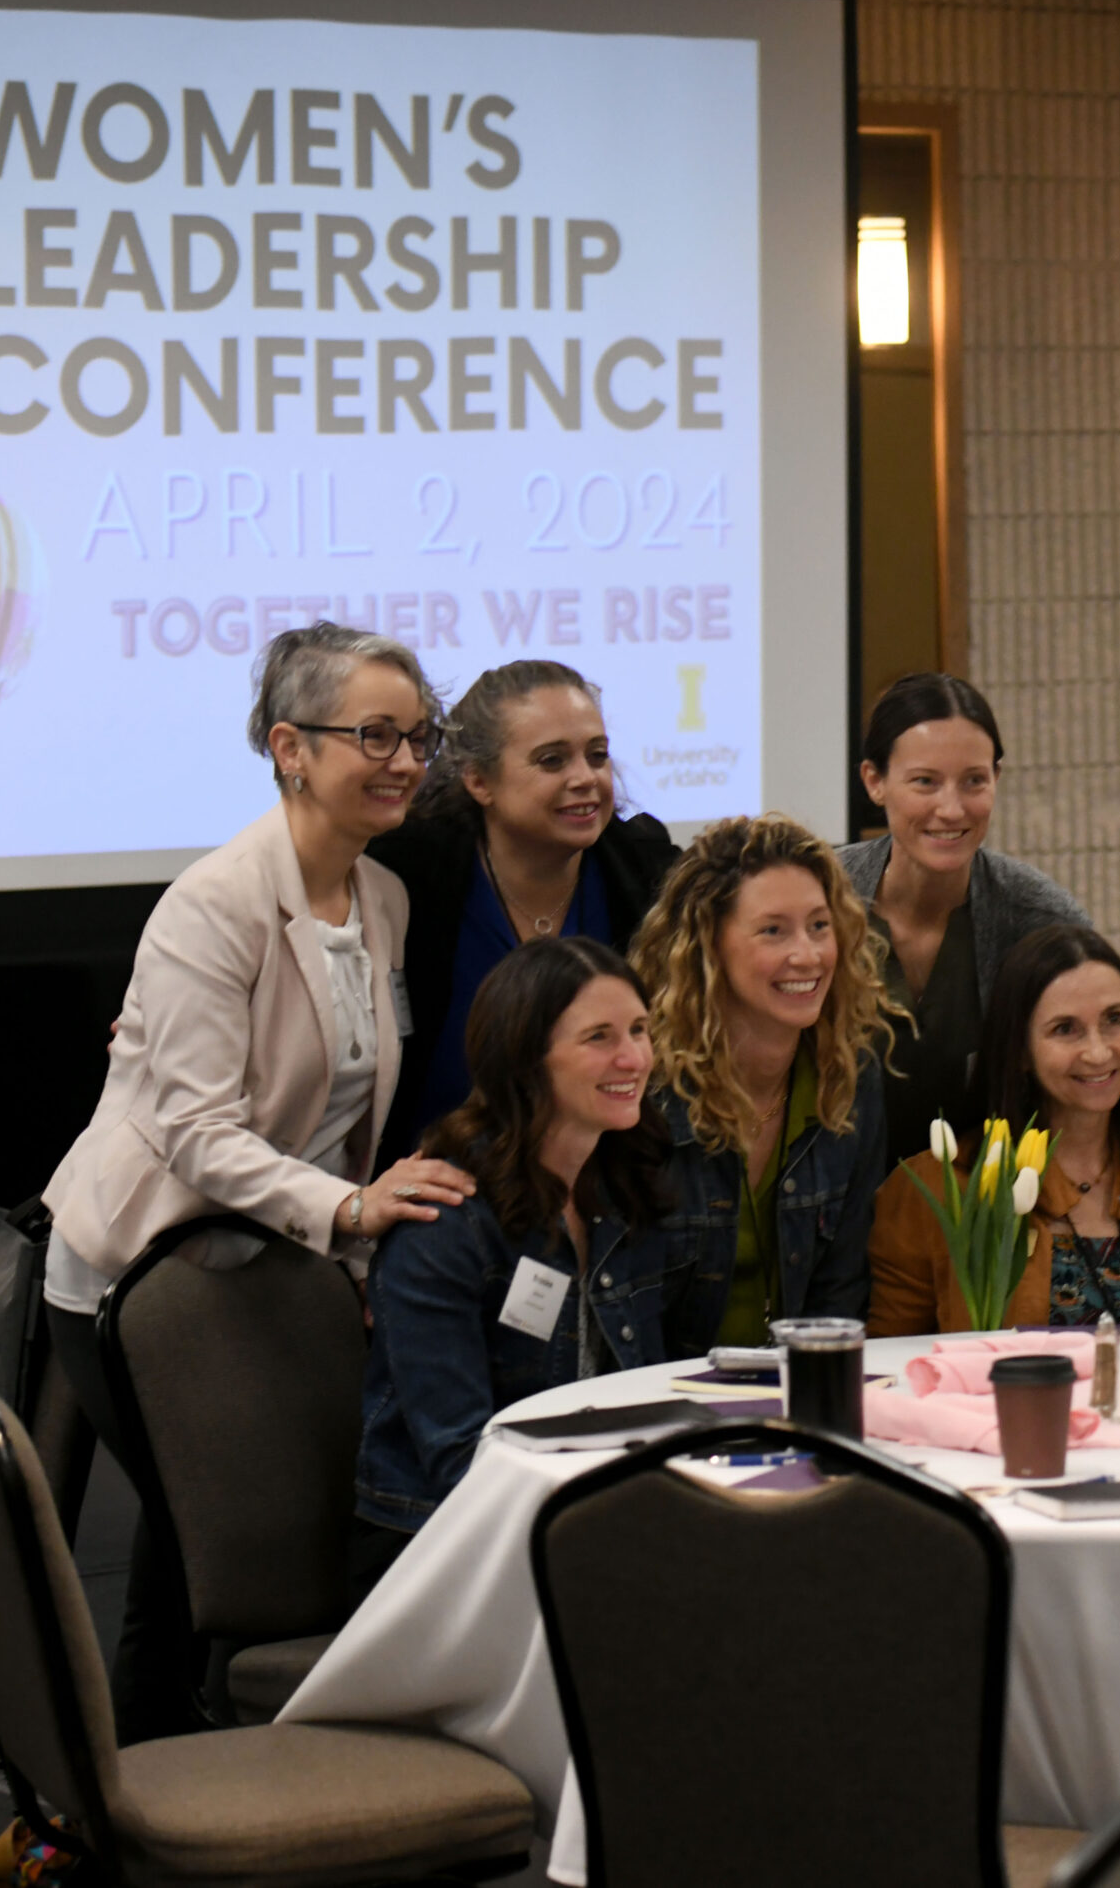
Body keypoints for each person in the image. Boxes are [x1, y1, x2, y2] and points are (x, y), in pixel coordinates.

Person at [41, 623, 473, 1740]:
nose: (402, 759)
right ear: (289, 745)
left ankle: (173, 1774)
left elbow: (339, 1109)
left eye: (416, 736)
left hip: (265, 1262)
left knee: (201, 1537)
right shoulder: (215, 902)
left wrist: (353, 1228)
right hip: (140, 1269)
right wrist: (346, 1210)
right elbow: (194, 1130)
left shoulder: (382, 898)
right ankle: (149, 1782)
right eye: (372, 734)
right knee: (205, 1530)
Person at [354, 937, 673, 1582]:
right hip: (441, 1547)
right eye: (599, 1037)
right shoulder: (444, 1223)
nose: (633, 1056)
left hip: (579, 1519)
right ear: (527, 1059)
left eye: (640, 1029)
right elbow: (461, 1462)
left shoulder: (619, 1188)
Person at [367, 659, 679, 1161]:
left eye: (596, 756)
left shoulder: (645, 872)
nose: (585, 778)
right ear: (478, 781)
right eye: (552, 761)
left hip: (607, 1192)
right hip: (435, 1196)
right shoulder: (408, 875)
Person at [870, 924, 1120, 1333]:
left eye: (1115, 1019)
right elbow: (889, 1366)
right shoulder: (935, 1189)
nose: (1098, 1051)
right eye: (1065, 1029)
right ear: (1020, 1050)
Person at [633, 815, 893, 1351]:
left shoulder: (848, 1076)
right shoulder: (647, 1088)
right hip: (665, 1402)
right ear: (709, 944)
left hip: (797, 1395)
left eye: (820, 925)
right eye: (773, 930)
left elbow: (841, 1294)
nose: (808, 954)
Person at [837, 673, 1088, 1164]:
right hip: (829, 1215)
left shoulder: (1043, 921)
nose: (951, 809)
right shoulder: (821, 902)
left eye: (974, 781)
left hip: (992, 1213)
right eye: (925, 782)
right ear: (875, 781)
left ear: (997, 778)